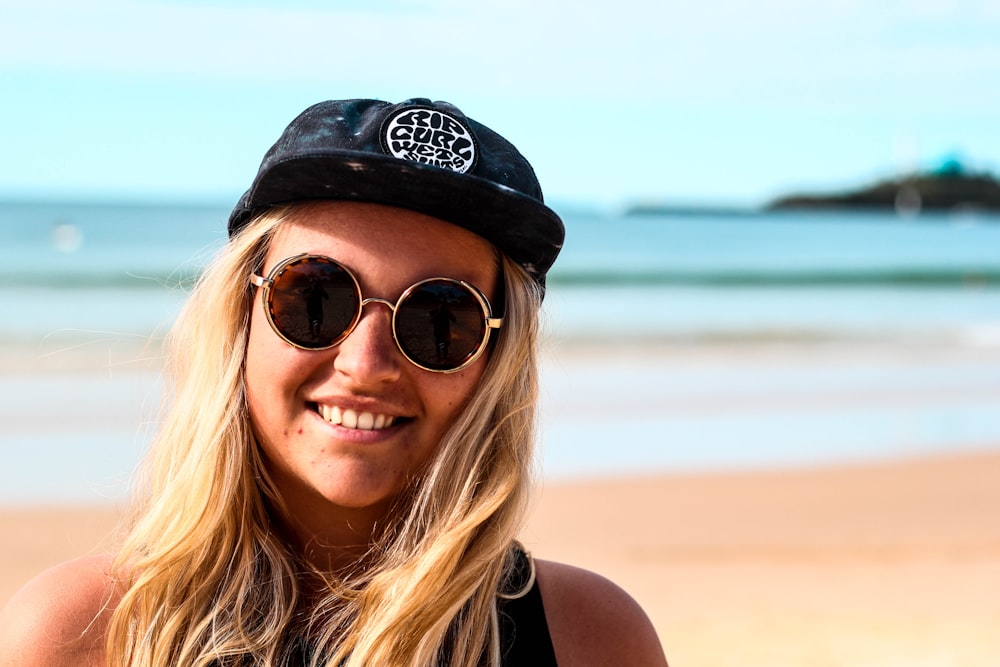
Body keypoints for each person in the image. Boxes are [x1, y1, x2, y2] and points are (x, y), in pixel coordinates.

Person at [0, 98, 668, 666]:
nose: (367, 362)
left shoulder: (590, 639)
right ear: (239, 318)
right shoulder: (80, 636)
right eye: (315, 298)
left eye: (441, 318)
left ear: (497, 358)